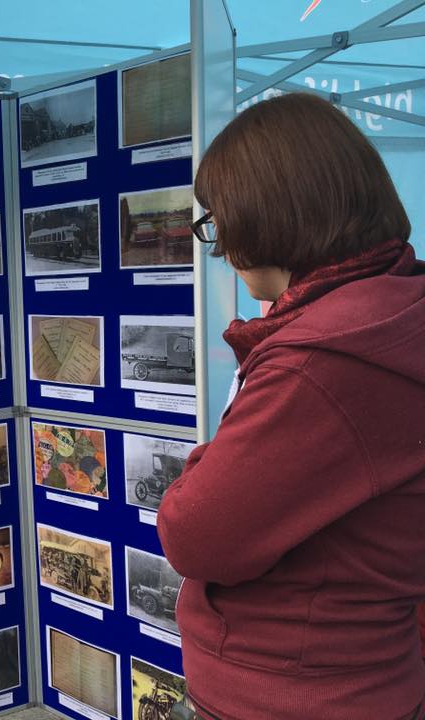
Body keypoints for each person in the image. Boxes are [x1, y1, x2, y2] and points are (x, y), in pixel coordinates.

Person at [157, 93, 425, 720]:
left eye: (219, 221)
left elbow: (194, 533)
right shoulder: (391, 315)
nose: (221, 247)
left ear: (270, 215)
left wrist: (206, 461)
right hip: (364, 672)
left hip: (288, 690)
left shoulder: (322, 363)